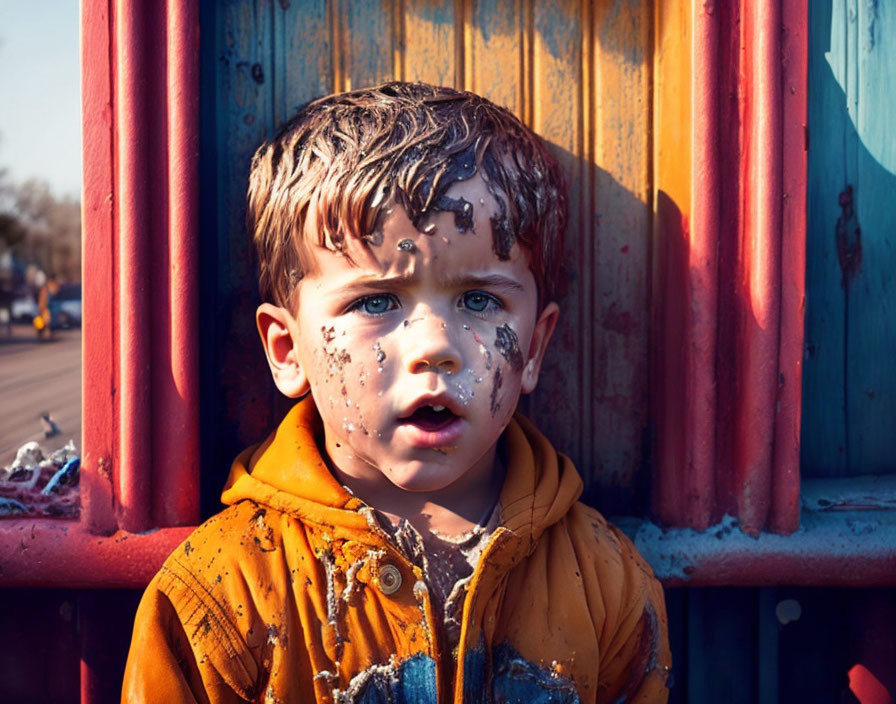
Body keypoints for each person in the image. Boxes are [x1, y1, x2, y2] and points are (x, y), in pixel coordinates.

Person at [122, 82, 671, 703]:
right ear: (287, 349)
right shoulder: (216, 600)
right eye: (376, 301)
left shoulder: (607, 584)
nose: (434, 344)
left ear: (535, 348)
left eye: (480, 300)